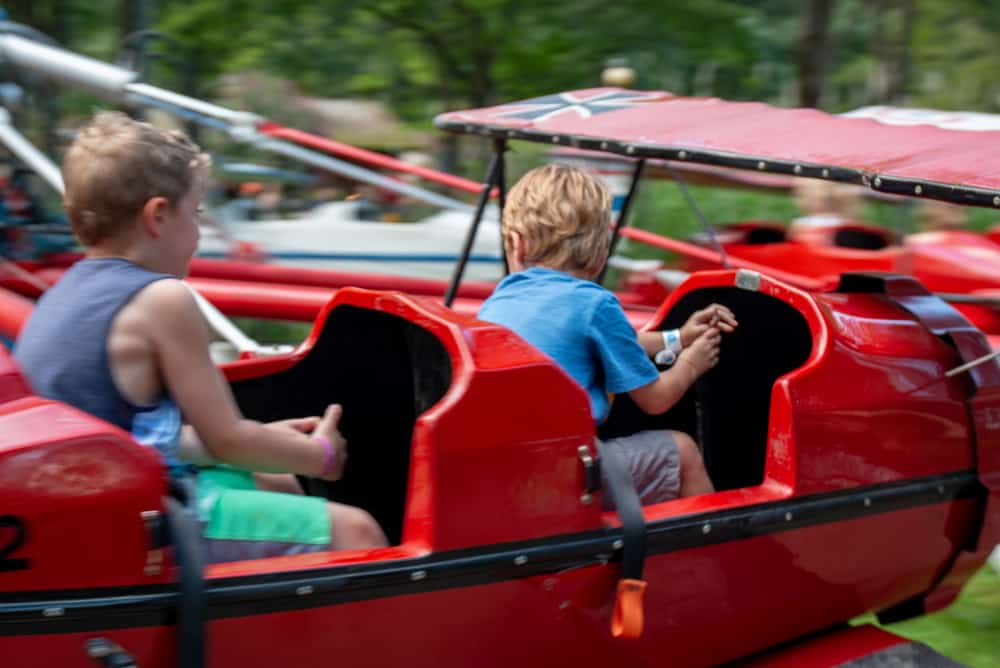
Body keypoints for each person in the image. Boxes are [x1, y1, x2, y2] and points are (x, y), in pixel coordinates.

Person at [14, 112, 387, 561]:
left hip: (83, 501)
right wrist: (321, 457)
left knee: (275, 479)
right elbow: (228, 438)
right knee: (358, 532)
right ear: (158, 215)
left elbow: (136, 433)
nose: (197, 234)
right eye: (195, 214)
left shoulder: (64, 293)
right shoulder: (162, 300)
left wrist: (273, 442)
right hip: (131, 518)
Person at [478, 164, 737, 505]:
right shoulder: (594, 305)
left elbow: (611, 345)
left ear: (516, 243)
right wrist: (692, 362)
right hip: (567, 472)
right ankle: (706, 556)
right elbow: (656, 400)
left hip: (511, 467)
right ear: (601, 257)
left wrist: (678, 337)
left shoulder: (498, 301)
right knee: (684, 452)